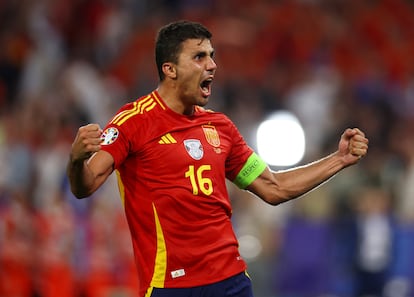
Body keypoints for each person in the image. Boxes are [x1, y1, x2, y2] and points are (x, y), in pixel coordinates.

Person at [67, 20, 369, 297]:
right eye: (199, 57)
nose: (212, 65)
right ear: (170, 69)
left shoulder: (220, 127)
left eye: (211, 56)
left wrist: (339, 160)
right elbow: (86, 186)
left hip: (231, 280)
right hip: (171, 285)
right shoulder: (132, 121)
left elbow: (274, 187)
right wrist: (77, 159)